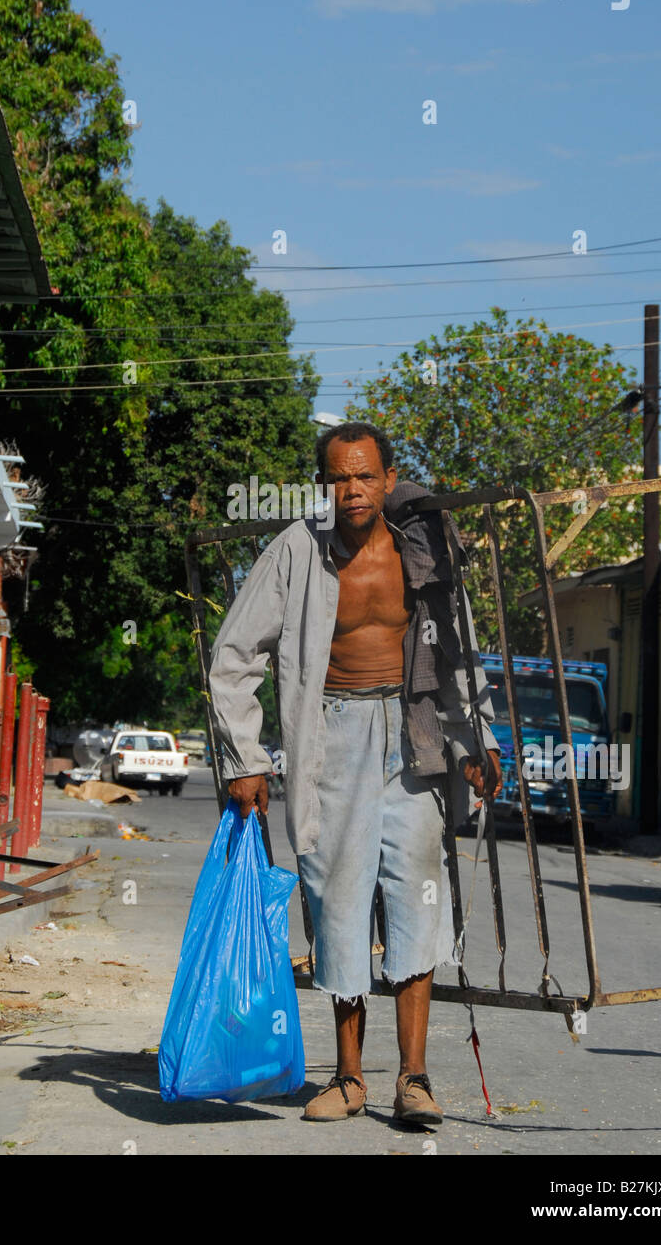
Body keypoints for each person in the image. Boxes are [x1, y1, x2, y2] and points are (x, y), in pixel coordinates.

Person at [208, 421, 502, 1126]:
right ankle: (346, 1078)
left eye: (366, 476)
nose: (354, 490)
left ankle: (413, 1077)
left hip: (415, 734)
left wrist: (477, 740)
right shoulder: (296, 554)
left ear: (389, 479)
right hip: (332, 733)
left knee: (416, 895)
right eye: (340, 478)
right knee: (336, 896)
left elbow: (459, 652)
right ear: (323, 485)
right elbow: (235, 655)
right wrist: (245, 759)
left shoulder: (423, 553)